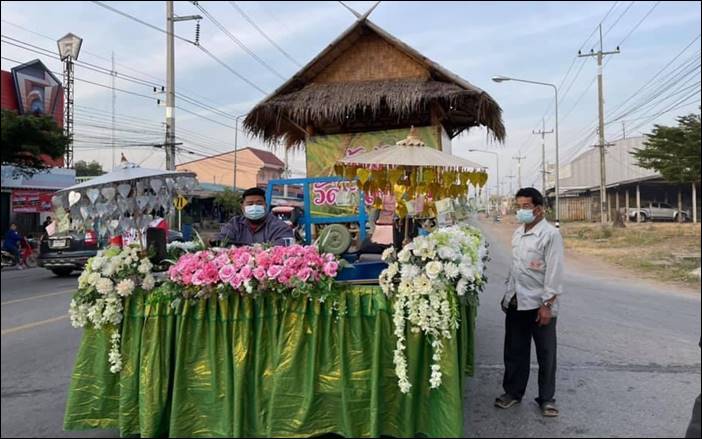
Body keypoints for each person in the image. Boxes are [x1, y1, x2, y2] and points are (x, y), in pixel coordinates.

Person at [495, 187, 564, 417]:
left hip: (539, 303)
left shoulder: (550, 235)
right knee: (515, 350)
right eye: (519, 206)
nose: (521, 211)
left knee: (546, 353)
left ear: (539, 208)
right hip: (516, 300)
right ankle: (513, 393)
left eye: (526, 207)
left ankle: (547, 399)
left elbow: (554, 272)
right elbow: (515, 268)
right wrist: (507, 295)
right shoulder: (518, 233)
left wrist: (547, 305)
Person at [216, 187, 293, 246]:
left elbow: (283, 247)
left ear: (265, 206)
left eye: (259, 203)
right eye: (250, 204)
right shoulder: (235, 224)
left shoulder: (279, 227)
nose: (254, 207)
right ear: (242, 207)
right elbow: (221, 241)